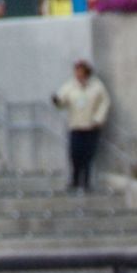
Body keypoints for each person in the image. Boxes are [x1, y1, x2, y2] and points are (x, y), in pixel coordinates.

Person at [51, 60, 110, 191]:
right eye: (76, 71)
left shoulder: (97, 86)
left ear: (86, 72)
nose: (77, 74)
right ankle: (75, 180)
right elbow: (62, 99)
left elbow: (104, 103)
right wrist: (56, 101)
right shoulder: (70, 85)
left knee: (88, 155)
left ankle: (86, 181)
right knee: (75, 154)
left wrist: (98, 119)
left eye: (80, 71)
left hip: (91, 127)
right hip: (76, 126)